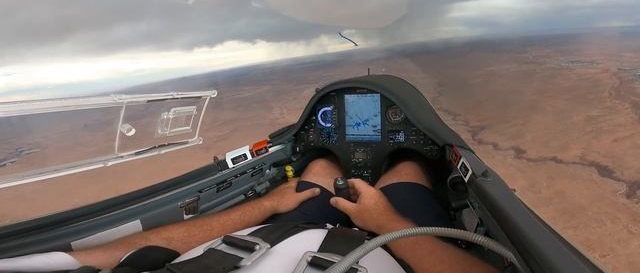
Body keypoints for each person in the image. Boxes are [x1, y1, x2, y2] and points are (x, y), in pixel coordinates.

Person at [69, 156, 495, 272]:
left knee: (320, 171)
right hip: (391, 250)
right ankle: (402, 163)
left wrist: (270, 203)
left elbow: (108, 255)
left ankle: (330, 163)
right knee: (405, 172)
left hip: (268, 237)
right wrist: (385, 223)